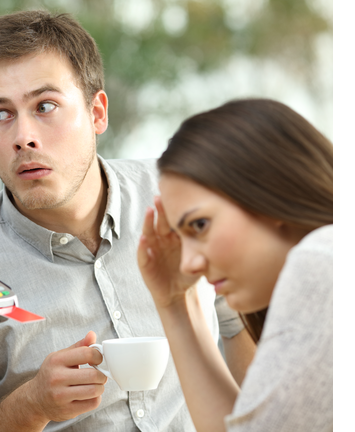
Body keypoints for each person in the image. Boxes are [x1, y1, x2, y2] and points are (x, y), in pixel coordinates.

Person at [0, 10, 253, 432]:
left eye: (45, 106)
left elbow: (242, 323)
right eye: (0, 114)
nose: (23, 136)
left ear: (97, 112)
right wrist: (31, 406)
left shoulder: (182, 199)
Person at [137, 98, 332, 432]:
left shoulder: (319, 262)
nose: (190, 263)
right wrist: (173, 304)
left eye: (199, 225)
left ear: (270, 190)